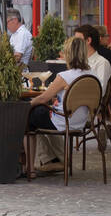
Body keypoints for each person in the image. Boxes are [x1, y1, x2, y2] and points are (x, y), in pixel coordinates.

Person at [27, 36, 97, 175]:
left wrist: (26, 105)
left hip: (63, 120)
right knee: (38, 116)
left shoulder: (64, 76)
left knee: (31, 116)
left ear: (68, 54)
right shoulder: (92, 75)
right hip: (80, 121)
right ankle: (52, 160)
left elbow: (43, 98)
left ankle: (33, 166)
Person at [74, 24, 111, 97]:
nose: (74, 43)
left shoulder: (102, 63)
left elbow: (100, 91)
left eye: (78, 40)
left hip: (89, 105)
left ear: (88, 40)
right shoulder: (78, 61)